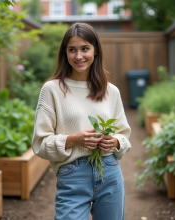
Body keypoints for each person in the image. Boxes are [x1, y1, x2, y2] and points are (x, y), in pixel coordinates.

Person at [31, 22, 131, 220]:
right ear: (64, 53)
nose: (78, 56)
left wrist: (115, 141)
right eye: (72, 50)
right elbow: (40, 144)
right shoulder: (52, 90)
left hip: (109, 172)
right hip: (72, 175)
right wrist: (73, 140)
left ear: (95, 51)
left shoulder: (111, 92)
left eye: (85, 48)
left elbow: (124, 136)